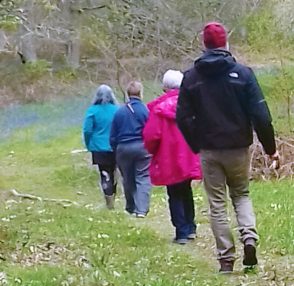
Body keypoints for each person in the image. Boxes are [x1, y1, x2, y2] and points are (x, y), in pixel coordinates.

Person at [176, 22, 279, 272]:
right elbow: (261, 115)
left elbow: (183, 117)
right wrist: (270, 148)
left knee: (217, 204)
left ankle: (226, 258)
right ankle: (249, 238)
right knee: (241, 195)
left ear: (204, 44)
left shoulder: (191, 77)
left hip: (209, 150)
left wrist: (195, 144)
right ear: (225, 44)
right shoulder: (243, 74)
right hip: (238, 148)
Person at [143, 70, 202, 245]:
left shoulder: (158, 110)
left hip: (168, 156)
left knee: (174, 193)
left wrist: (152, 151)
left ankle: (182, 231)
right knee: (186, 190)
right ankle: (191, 227)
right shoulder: (194, 106)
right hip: (189, 155)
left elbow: (151, 135)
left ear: (164, 88)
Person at [110, 81, 151, 218]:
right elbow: (151, 131)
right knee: (143, 177)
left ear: (127, 94)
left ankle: (131, 206)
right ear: (141, 93)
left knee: (127, 178)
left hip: (123, 148)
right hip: (142, 147)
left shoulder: (119, 111)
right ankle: (142, 209)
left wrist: (115, 149)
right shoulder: (145, 110)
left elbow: (113, 135)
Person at [83, 84, 119, 209]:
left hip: (99, 147)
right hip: (115, 147)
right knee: (114, 172)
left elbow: (87, 130)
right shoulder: (117, 110)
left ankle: (109, 200)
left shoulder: (92, 111)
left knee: (104, 173)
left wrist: (89, 144)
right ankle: (113, 195)